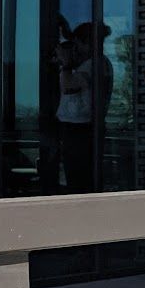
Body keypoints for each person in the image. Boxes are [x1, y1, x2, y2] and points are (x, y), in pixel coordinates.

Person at [54, 22, 111, 193]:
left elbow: (69, 87)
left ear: (86, 42)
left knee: (77, 179)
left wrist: (66, 64)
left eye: (77, 44)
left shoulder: (93, 65)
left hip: (80, 129)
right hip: (84, 128)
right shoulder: (102, 63)